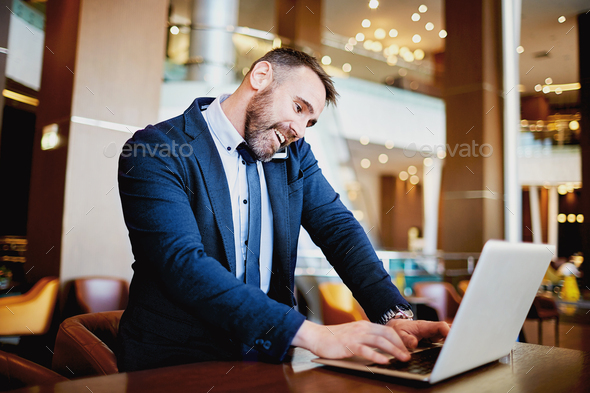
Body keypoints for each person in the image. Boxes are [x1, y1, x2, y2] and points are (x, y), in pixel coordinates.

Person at [117, 47, 449, 372]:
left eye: (310, 121)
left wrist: (393, 315)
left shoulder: (295, 155)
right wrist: (310, 333)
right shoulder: (156, 150)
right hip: (176, 363)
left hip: (267, 359)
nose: (300, 130)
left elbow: (338, 229)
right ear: (260, 76)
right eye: (298, 107)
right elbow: (182, 264)